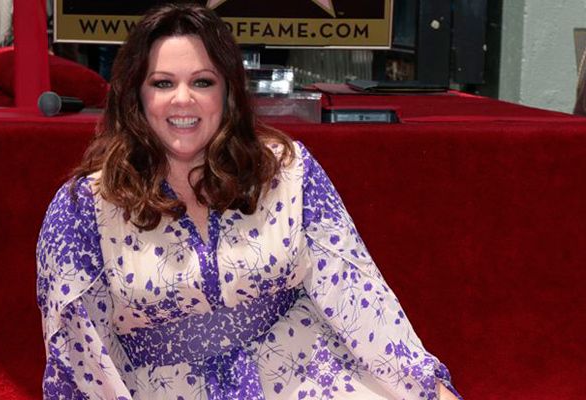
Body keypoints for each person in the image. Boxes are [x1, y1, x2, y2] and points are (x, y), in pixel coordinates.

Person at [36, 3, 462, 399]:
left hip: (306, 374)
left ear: (228, 93)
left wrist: (428, 385)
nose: (183, 99)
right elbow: (79, 355)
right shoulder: (83, 208)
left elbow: (355, 290)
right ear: (135, 95)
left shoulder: (286, 170)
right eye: (162, 83)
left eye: (202, 82)